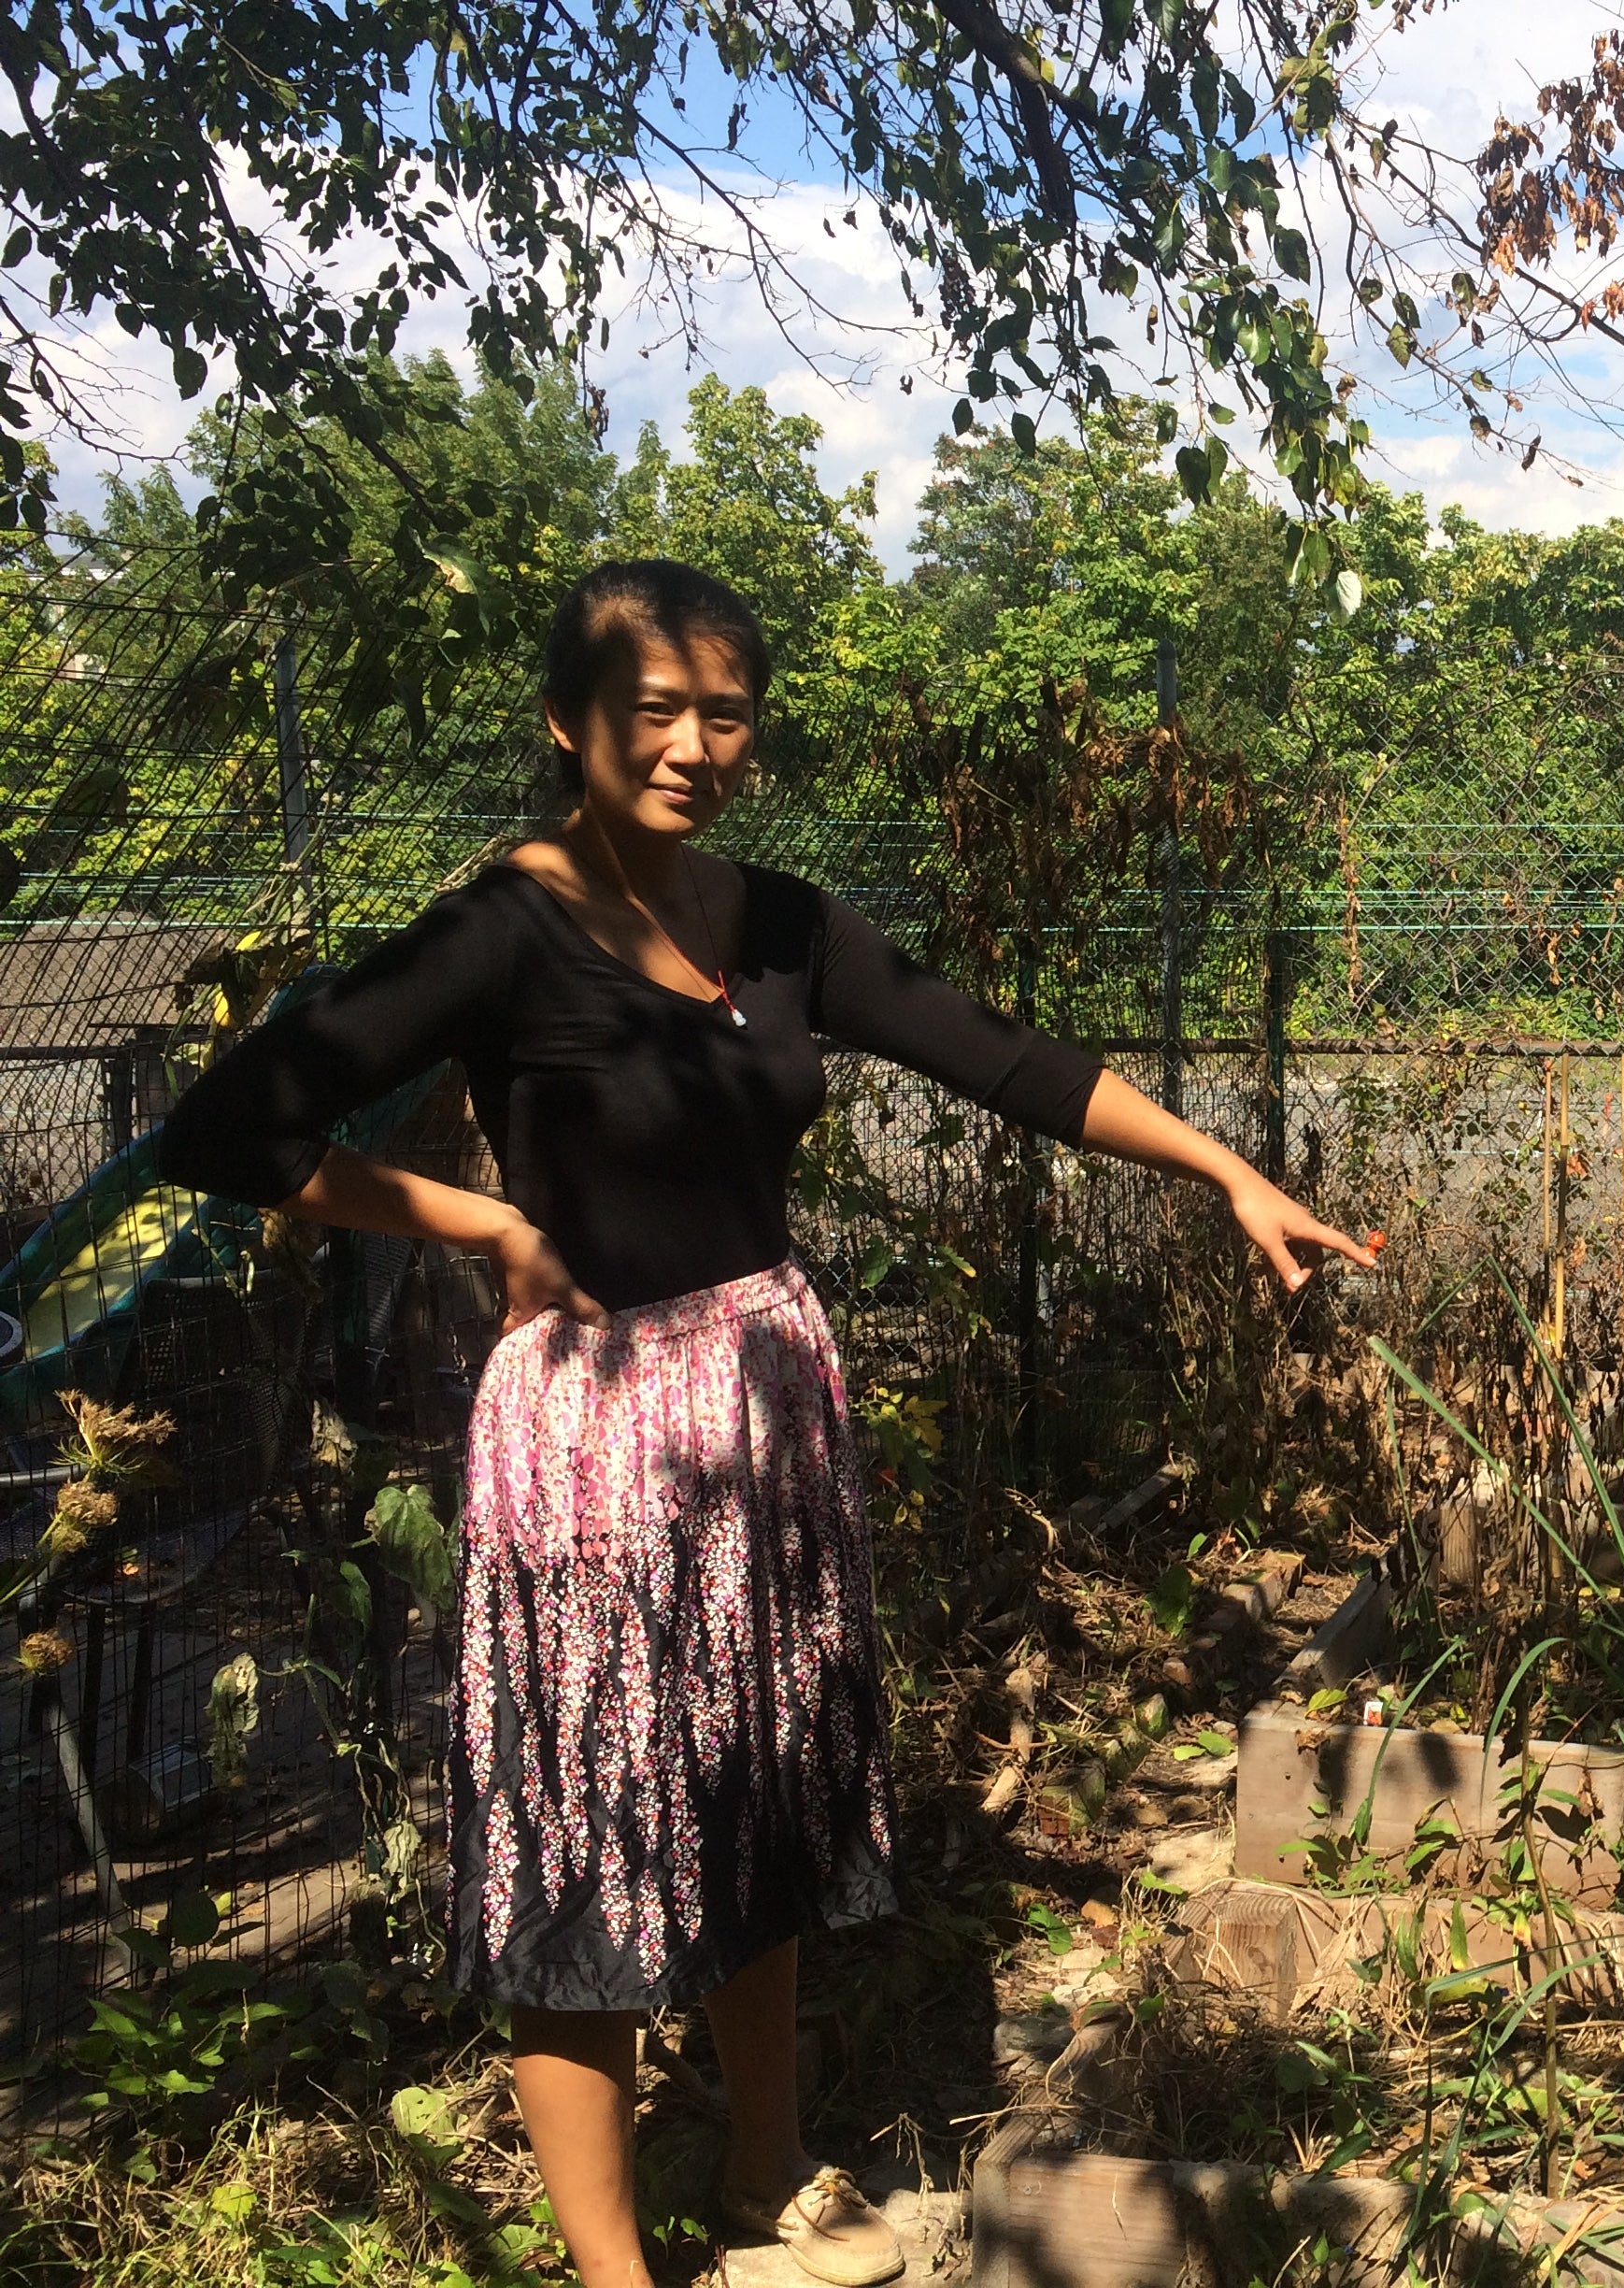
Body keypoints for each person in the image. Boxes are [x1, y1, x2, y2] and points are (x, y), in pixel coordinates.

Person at [157, 560, 1374, 2288]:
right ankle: (610, 2270)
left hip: (763, 1419)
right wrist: (481, 1225)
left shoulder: (779, 922)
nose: (692, 743)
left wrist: (1226, 1173)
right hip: (591, 1433)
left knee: (762, 1798)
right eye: (654, 709)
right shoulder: (499, 932)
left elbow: (1000, 1056)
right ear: (571, 724)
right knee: (583, 1834)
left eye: (725, 713)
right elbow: (235, 1124)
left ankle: (765, 2165)